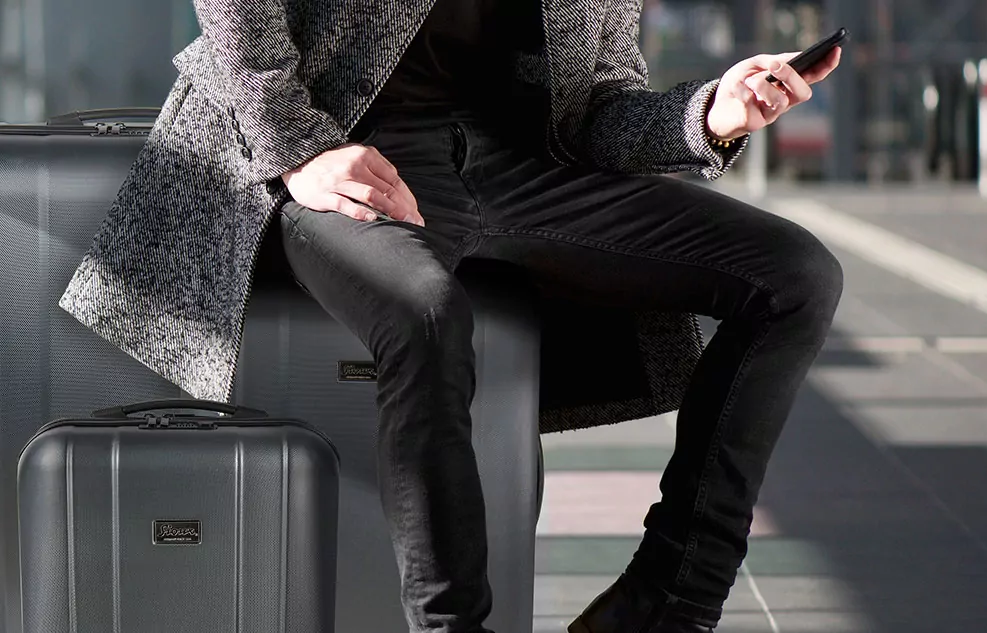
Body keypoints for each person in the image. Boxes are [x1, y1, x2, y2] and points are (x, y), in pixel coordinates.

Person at [58, 1, 846, 632]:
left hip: (518, 163)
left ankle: (669, 603)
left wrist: (712, 114)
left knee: (796, 276)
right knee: (427, 314)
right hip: (345, 145)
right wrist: (298, 146)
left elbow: (599, 107)